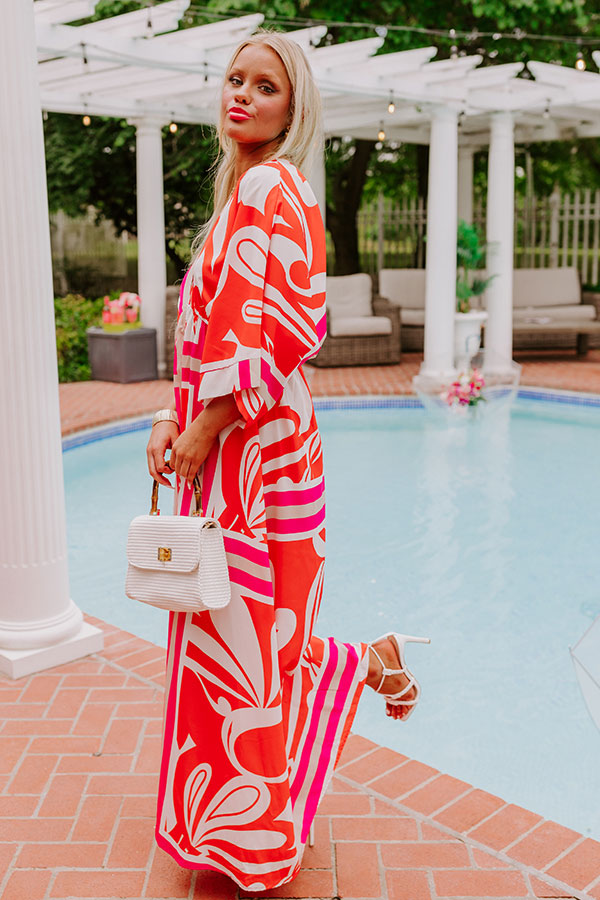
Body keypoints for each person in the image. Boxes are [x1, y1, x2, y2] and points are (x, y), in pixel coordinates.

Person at [146, 30, 429, 892]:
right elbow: (206, 332)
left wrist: (212, 422)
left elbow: (292, 324)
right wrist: (175, 410)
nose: (242, 95)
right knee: (241, 638)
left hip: (262, 459)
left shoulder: (280, 188)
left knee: (253, 649)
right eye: (233, 79)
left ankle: (253, 840)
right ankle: (363, 665)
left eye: (263, 85)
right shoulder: (238, 197)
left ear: (291, 106)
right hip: (229, 451)